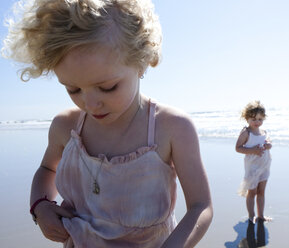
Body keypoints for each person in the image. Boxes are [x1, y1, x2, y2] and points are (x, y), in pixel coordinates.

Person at [2, 0, 213, 247]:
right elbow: (48, 170)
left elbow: (201, 206)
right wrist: (40, 206)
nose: (90, 104)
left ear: (142, 61)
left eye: (107, 87)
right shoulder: (65, 128)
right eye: (73, 89)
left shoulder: (171, 128)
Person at [235, 101, 272, 225]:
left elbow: (269, 143)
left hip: (265, 165)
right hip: (252, 166)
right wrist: (253, 150)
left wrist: (268, 145)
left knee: (261, 191)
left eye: (260, 119)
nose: (257, 122)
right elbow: (238, 148)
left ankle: (261, 215)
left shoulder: (264, 132)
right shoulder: (246, 132)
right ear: (247, 118)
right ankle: (251, 215)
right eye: (253, 119)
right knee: (252, 192)